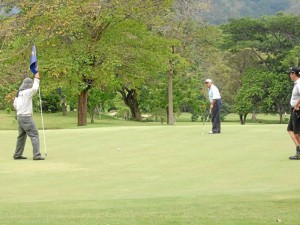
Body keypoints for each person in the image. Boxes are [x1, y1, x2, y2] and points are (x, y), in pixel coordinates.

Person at [13, 73, 45, 160]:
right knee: (34, 135)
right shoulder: (27, 92)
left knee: (21, 136)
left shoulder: (18, 94)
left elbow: (15, 105)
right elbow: (35, 89)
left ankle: (17, 154)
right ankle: (36, 155)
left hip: (19, 117)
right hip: (26, 117)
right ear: (28, 85)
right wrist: (36, 78)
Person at [287, 67, 300, 160]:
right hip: (294, 110)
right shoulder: (296, 84)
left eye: (290, 73)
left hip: (297, 110)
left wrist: (297, 105)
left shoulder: (299, 83)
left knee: (297, 132)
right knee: (290, 129)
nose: (290, 75)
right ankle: (298, 148)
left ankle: (299, 151)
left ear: (294, 73)